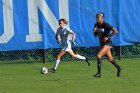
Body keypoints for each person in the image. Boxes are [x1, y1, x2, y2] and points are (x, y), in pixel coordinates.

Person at [93, 12, 122, 77]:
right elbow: (95, 35)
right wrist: (94, 31)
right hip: (102, 43)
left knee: (98, 55)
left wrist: (107, 37)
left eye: (98, 17)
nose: (97, 18)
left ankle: (99, 73)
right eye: (96, 17)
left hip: (108, 43)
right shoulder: (96, 25)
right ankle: (119, 68)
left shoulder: (106, 25)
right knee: (110, 58)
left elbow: (116, 31)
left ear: (102, 18)